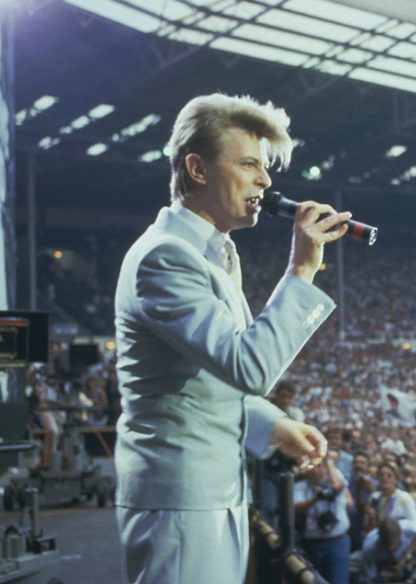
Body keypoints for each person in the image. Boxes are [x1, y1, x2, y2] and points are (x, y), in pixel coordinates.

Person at [113, 93, 351, 584]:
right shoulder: (166, 258)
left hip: (207, 494)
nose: (265, 180)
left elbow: (206, 381)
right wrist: (302, 269)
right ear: (197, 169)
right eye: (248, 164)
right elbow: (250, 368)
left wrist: (271, 425)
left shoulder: (209, 254)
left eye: (263, 166)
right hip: (182, 501)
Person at [293, 457, 351, 583]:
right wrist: (316, 498)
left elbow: (337, 486)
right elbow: (296, 508)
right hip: (312, 544)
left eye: (319, 466)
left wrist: (329, 461)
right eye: (312, 466)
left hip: (336, 542)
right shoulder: (300, 486)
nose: (315, 470)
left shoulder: (333, 478)